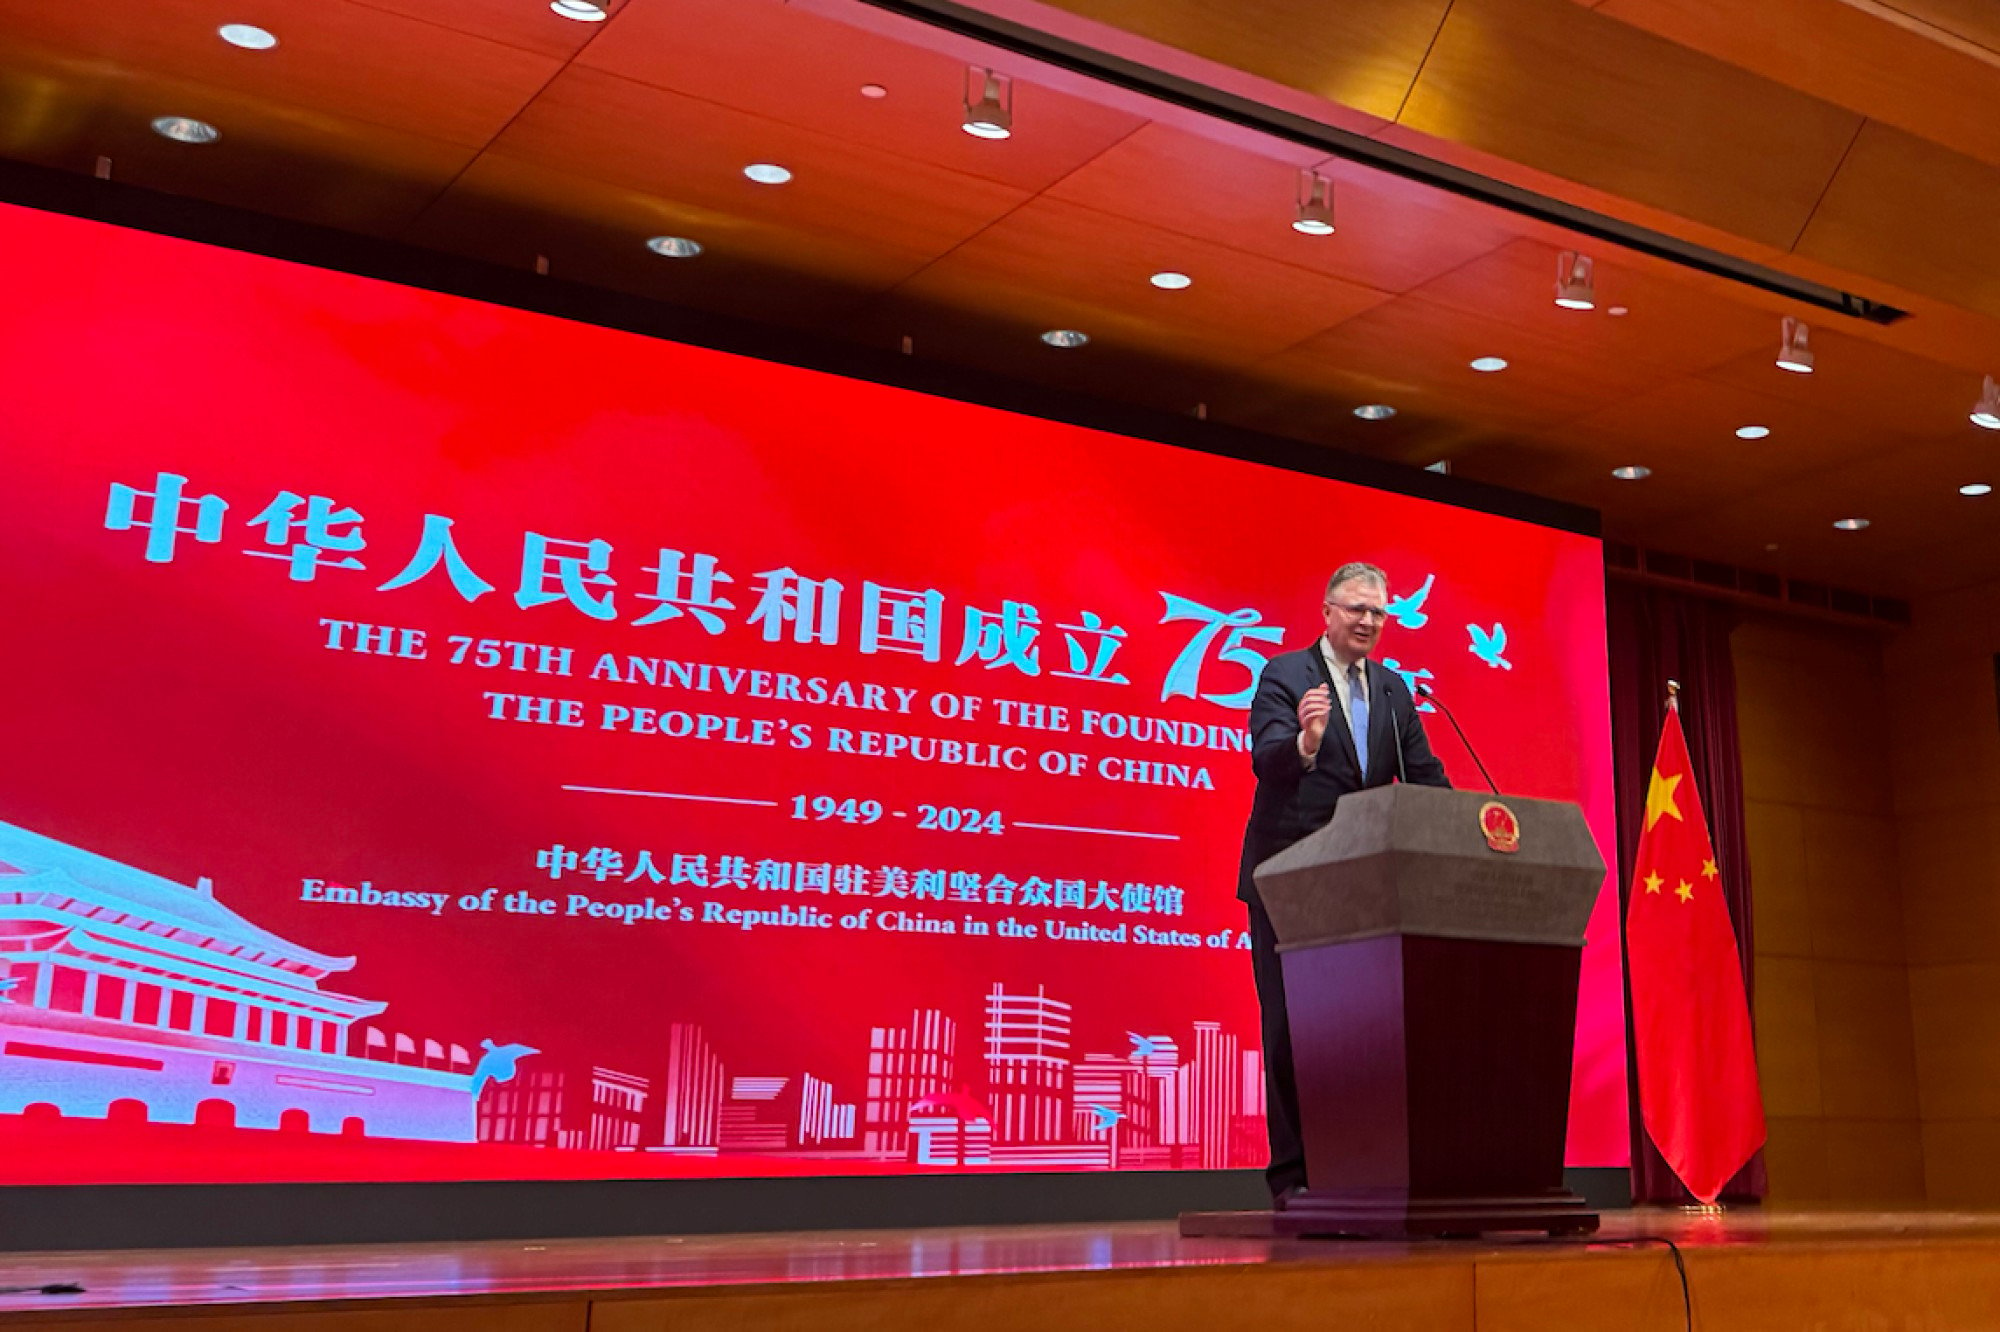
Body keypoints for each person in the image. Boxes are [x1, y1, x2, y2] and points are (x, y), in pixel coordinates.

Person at [1238, 561, 1450, 1203]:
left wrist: (1469, 822)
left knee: (1357, 1032)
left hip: (1365, 886)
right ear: (1327, 611)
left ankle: (1357, 1170)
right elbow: (1267, 758)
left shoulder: (1393, 691)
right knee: (1290, 1028)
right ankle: (1293, 1177)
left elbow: (1423, 775)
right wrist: (1305, 741)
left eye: (1378, 613)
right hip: (1291, 879)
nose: (1367, 622)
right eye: (1356, 609)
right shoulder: (1286, 674)